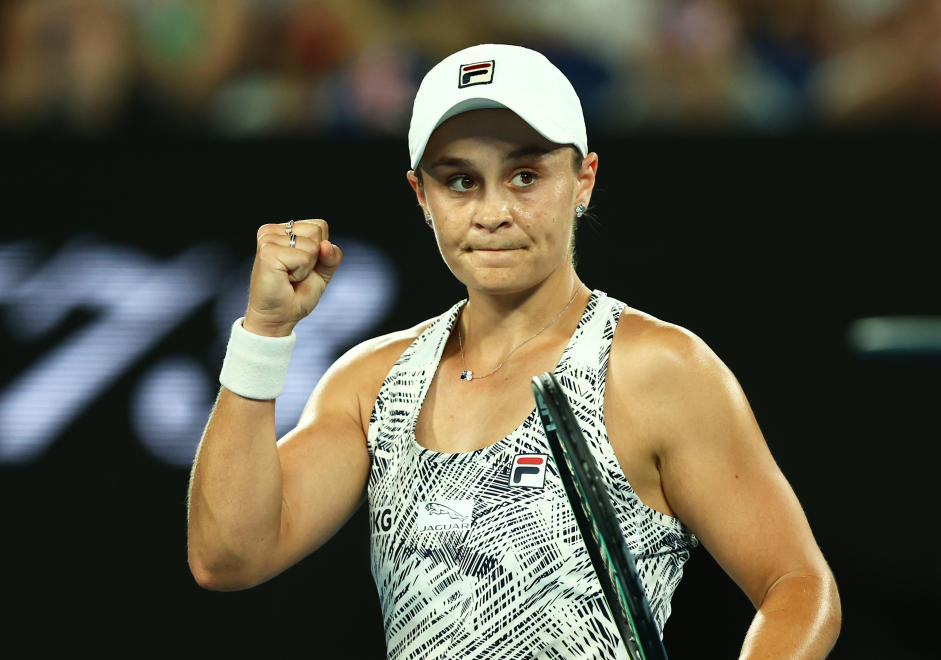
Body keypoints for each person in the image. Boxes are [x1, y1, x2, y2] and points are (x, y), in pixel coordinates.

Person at [187, 44, 841, 658]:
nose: (493, 210)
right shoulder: (372, 384)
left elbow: (797, 584)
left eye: (525, 175)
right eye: (461, 182)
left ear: (583, 180)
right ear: (422, 196)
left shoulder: (657, 369)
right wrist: (264, 334)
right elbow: (226, 556)